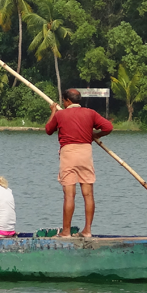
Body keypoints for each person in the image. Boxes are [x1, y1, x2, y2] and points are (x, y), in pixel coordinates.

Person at [44, 88, 113, 238]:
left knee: (69, 195)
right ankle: (87, 230)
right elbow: (108, 127)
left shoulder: (60, 114)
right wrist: (96, 134)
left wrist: (53, 111)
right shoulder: (90, 113)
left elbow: (48, 129)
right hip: (85, 153)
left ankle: (66, 232)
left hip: (68, 154)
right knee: (88, 194)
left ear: (67, 101)